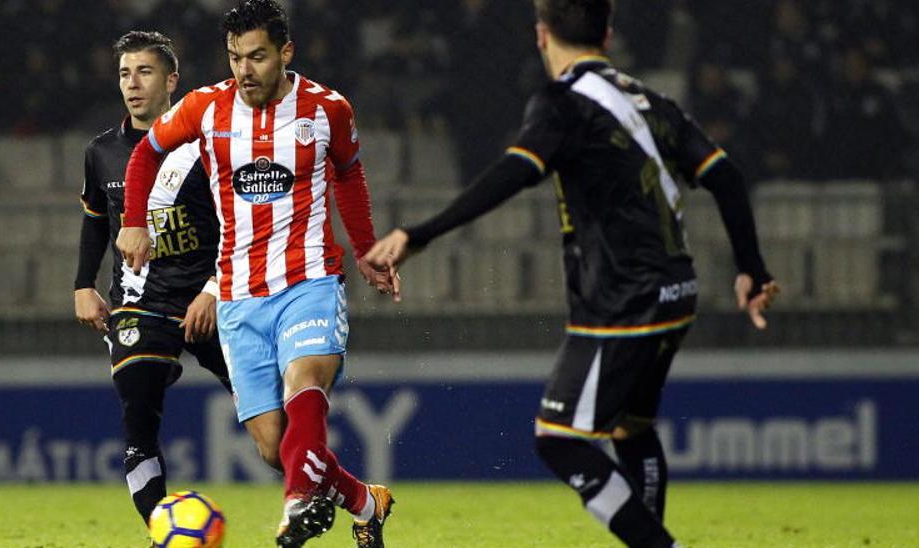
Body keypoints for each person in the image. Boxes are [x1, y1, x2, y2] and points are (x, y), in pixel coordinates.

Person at [365, 1, 779, 546]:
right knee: (630, 428)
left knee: (558, 439)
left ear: (541, 35)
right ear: (606, 33)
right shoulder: (649, 100)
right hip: (677, 290)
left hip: (623, 299)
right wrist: (750, 267)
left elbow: (516, 170)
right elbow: (725, 176)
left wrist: (419, 234)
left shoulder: (563, 103)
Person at [115, 2, 396, 546]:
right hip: (240, 297)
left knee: (304, 380)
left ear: (285, 53)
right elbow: (146, 154)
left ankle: (299, 505)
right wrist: (133, 223)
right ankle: (366, 501)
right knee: (275, 446)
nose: (245, 70)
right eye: (235, 57)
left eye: (258, 57)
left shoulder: (327, 109)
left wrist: (364, 249)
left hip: (309, 279)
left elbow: (348, 173)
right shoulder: (205, 108)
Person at [73, 30, 232, 530]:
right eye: (124, 73)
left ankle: (332, 496)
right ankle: (162, 533)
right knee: (138, 415)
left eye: (144, 72)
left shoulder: (205, 145)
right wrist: (83, 284)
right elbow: (98, 219)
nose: (132, 84)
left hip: (210, 299)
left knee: (268, 421)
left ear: (171, 81)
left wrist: (215, 288)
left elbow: (237, 222)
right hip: (141, 300)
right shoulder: (102, 152)